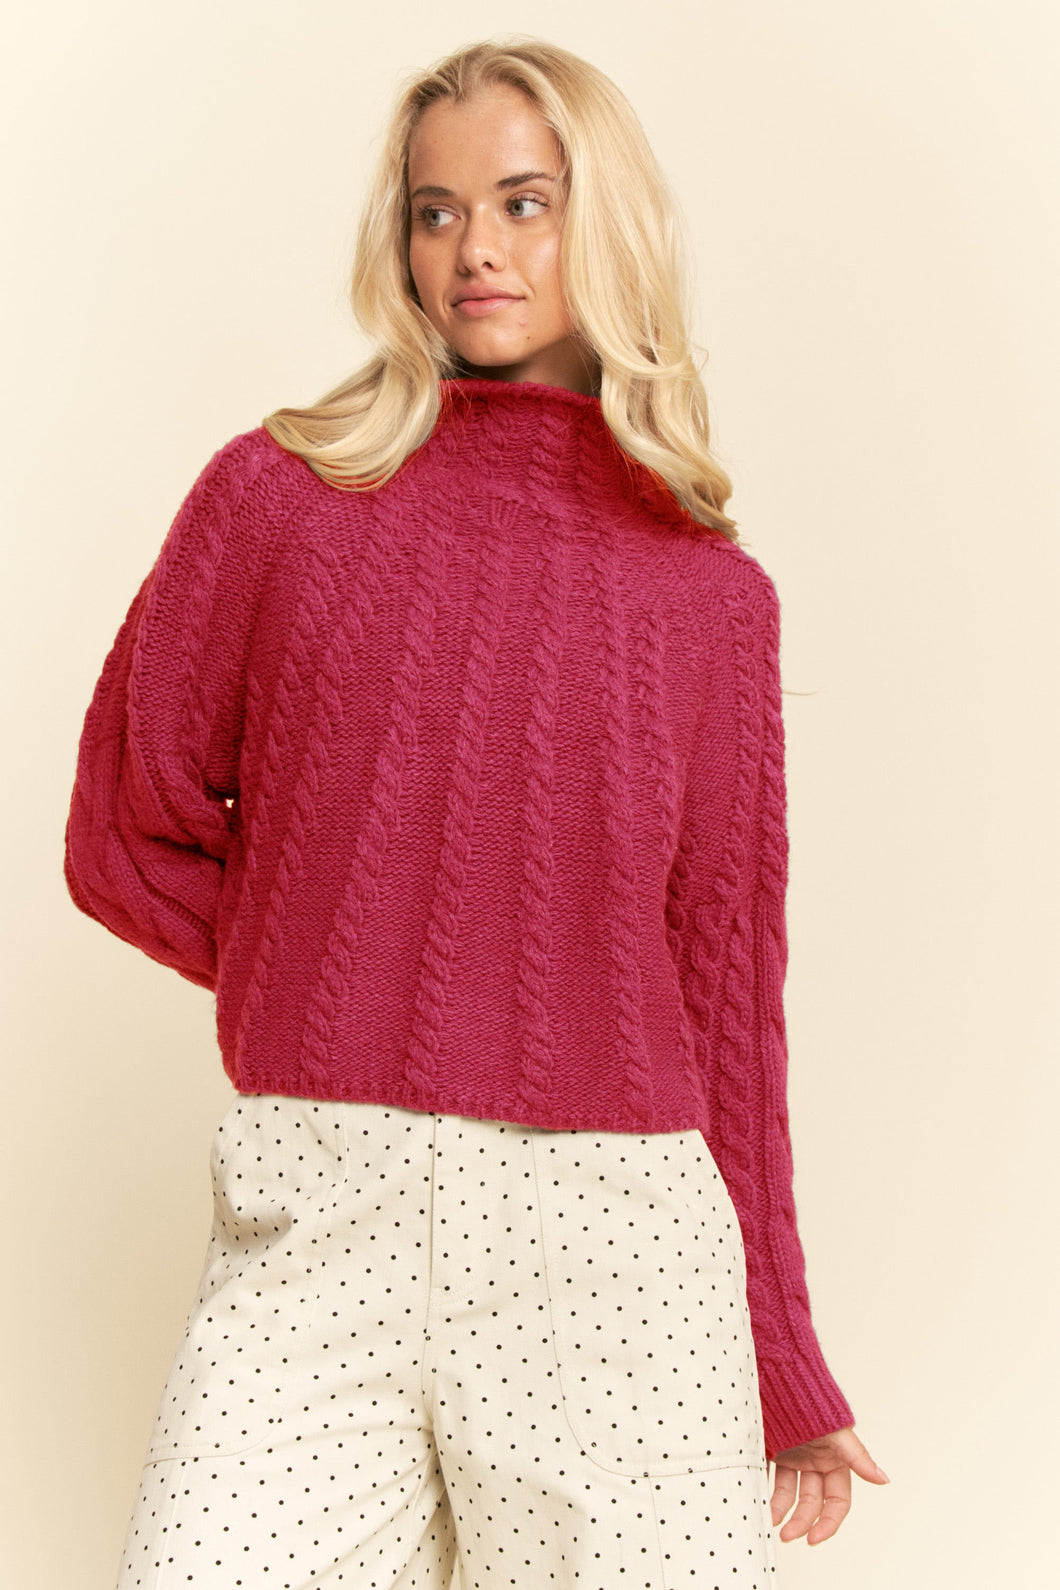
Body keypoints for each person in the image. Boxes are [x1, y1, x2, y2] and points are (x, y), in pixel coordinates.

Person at [63, 35, 888, 1589]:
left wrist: (781, 1357)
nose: (475, 250)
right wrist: (330, 963)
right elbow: (123, 826)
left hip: (615, 1243)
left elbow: (723, 996)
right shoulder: (277, 498)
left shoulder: (707, 598)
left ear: (606, 221)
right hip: (324, 1207)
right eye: (435, 211)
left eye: (524, 201)